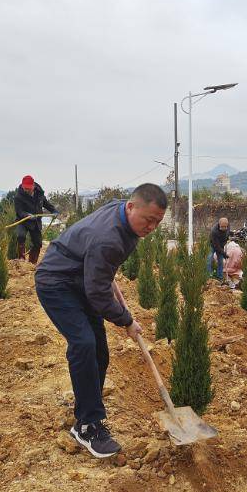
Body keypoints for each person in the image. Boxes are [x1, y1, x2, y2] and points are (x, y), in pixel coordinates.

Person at [35, 183, 167, 458]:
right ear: (131, 208)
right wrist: (127, 320)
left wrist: (104, 268)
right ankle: (87, 425)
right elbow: (98, 294)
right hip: (57, 282)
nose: (152, 227)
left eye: (158, 222)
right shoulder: (109, 239)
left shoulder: (121, 210)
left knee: (99, 351)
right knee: (83, 343)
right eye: (149, 220)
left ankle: (88, 407)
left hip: (81, 276)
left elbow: (98, 279)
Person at [14, 175, 58, 264]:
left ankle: (32, 263)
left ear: (33, 186)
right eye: (25, 188)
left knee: (37, 243)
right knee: (20, 236)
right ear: (22, 186)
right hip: (23, 221)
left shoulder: (39, 193)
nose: (26, 191)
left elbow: (45, 203)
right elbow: (19, 211)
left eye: (28, 189)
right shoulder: (18, 196)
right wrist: (27, 215)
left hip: (36, 222)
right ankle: (21, 261)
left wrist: (54, 211)